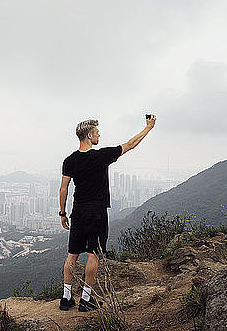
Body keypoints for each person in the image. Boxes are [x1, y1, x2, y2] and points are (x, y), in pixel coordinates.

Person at [58, 115, 156, 312]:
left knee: (72, 255)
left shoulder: (70, 160)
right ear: (88, 135)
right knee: (93, 255)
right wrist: (148, 128)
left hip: (78, 212)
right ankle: (86, 300)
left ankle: (66, 298)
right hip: (97, 213)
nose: (99, 135)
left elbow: (63, 189)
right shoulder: (101, 155)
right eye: (96, 132)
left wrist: (62, 213)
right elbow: (131, 144)